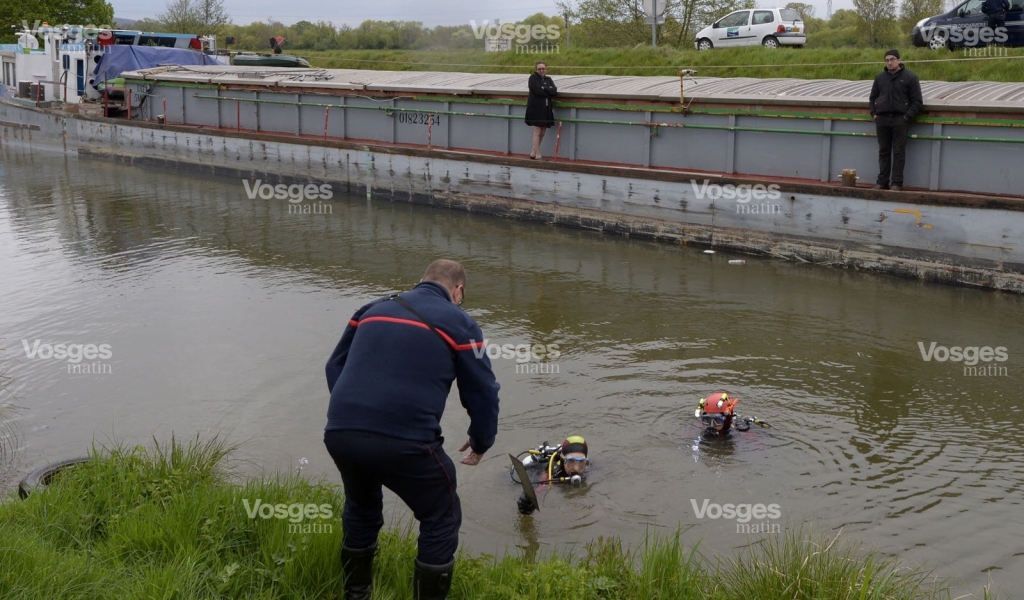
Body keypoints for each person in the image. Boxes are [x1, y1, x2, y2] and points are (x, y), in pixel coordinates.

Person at [323, 259, 500, 600]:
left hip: (342, 433)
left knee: (361, 507)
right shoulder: (461, 324)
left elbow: (335, 365)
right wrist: (481, 440)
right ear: (458, 290)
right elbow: (483, 391)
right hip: (407, 442)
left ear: (421, 280)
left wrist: (356, 414)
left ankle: (356, 595)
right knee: (440, 515)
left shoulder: (370, 309)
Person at [868, 49, 923, 192]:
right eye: (887, 60)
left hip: (900, 119)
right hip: (882, 119)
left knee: (899, 152)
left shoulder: (910, 77)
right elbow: (872, 97)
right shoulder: (880, 78)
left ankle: (897, 183)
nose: (889, 63)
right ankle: (882, 182)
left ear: (899, 60)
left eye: (892, 59)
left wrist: (906, 117)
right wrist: (874, 114)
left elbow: (917, 101)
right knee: (883, 151)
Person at [512, 436, 590, 515]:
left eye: (582, 462)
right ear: (563, 460)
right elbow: (536, 488)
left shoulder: (589, 470)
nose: (576, 468)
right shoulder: (549, 473)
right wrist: (528, 501)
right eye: (571, 461)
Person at [694, 392, 770, 437]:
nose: (711, 425)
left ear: (726, 419)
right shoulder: (699, 426)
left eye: (717, 420)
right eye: (706, 420)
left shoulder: (739, 431)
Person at [525, 61, 557, 160]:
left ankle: (533, 152)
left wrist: (545, 88)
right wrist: (548, 89)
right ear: (536, 69)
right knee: (537, 131)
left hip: (546, 108)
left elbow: (554, 91)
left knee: (543, 132)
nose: (541, 70)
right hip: (535, 108)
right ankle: (538, 155)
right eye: (539, 69)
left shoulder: (548, 79)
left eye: (543, 68)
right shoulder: (532, 78)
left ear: (546, 69)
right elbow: (538, 91)